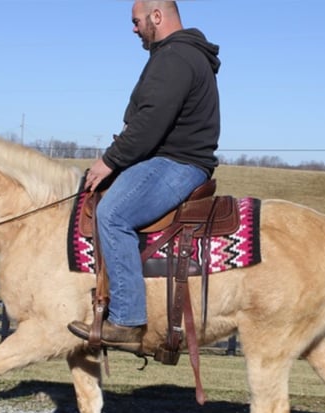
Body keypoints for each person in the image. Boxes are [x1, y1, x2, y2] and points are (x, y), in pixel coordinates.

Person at [68, 0, 221, 352]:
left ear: (157, 16)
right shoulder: (175, 55)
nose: (133, 28)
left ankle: (127, 318)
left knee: (112, 214)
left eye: (137, 21)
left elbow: (151, 122)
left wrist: (110, 161)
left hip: (176, 163)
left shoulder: (176, 57)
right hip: (169, 159)